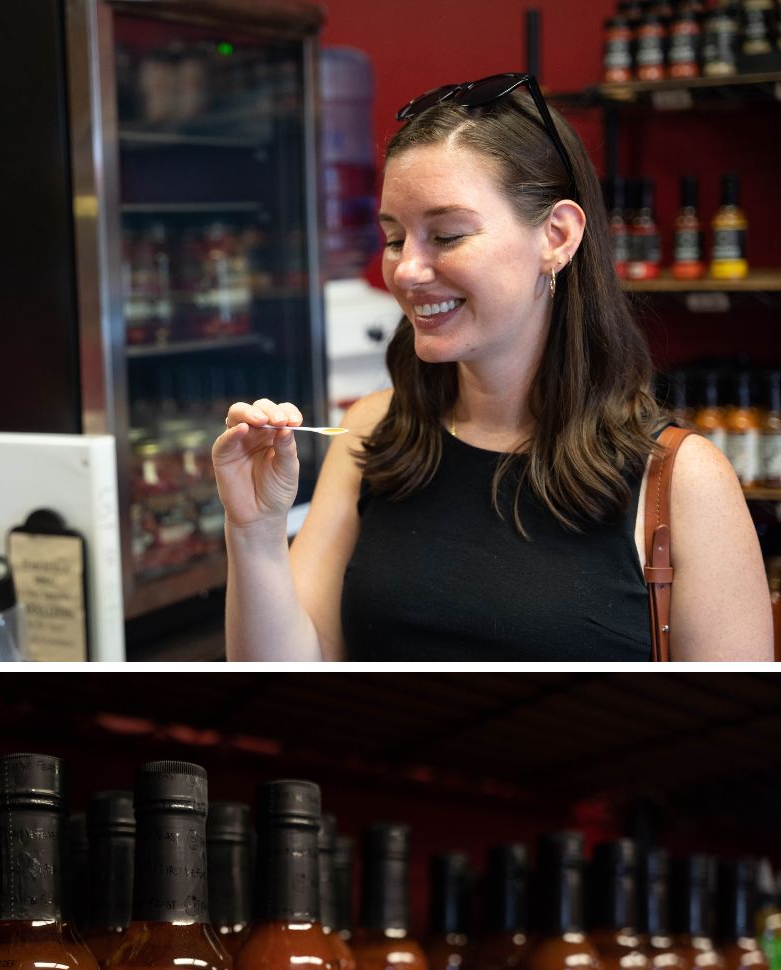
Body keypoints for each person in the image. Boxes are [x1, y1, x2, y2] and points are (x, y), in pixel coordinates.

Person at [214, 75, 771, 661]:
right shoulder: (375, 431)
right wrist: (254, 531)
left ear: (556, 236)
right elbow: (293, 672)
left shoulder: (684, 480)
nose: (405, 271)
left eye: (447, 235)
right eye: (396, 238)